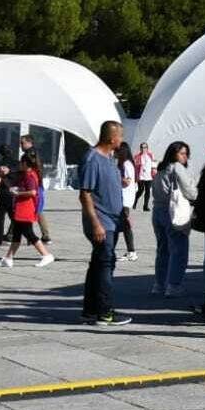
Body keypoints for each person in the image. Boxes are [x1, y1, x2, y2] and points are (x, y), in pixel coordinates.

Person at [78, 121, 130, 326]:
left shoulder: (110, 158)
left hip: (113, 220)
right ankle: (104, 312)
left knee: (99, 264)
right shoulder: (92, 159)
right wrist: (96, 223)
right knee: (105, 265)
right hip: (102, 222)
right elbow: (85, 194)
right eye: (120, 136)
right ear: (111, 138)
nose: (122, 140)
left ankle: (90, 310)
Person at [150, 140, 195, 296]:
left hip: (157, 210)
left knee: (163, 250)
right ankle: (174, 285)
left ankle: (159, 284)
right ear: (174, 153)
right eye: (182, 153)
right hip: (172, 211)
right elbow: (190, 192)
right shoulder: (177, 168)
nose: (185, 157)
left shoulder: (161, 168)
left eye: (186, 154)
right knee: (179, 249)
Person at [0, 150, 55, 267]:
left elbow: (33, 192)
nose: (19, 165)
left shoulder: (30, 175)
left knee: (29, 234)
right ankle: (8, 258)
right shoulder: (27, 173)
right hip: (22, 208)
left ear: (25, 163)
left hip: (26, 209)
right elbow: (22, 183)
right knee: (16, 235)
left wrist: (18, 193)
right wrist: (17, 187)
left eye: (21, 163)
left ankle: (46, 255)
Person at [19, 133, 53, 244]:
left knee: (36, 210)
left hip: (34, 186)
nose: (21, 145)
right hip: (37, 185)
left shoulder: (29, 155)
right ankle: (32, 235)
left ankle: (44, 235)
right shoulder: (35, 153)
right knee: (34, 209)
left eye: (22, 143)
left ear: (29, 142)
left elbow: (27, 171)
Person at [112, 142, 138, 261]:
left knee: (125, 226)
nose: (114, 153)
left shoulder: (126, 164)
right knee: (118, 226)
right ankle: (112, 251)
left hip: (124, 199)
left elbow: (127, 181)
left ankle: (132, 251)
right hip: (122, 199)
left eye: (116, 151)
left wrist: (114, 178)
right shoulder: (123, 164)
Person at [133, 142, 155, 211]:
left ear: (147, 148)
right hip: (141, 176)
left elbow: (153, 165)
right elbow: (135, 167)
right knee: (141, 190)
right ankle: (135, 201)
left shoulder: (150, 155)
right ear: (140, 148)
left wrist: (154, 174)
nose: (143, 149)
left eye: (145, 147)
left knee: (148, 191)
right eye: (142, 147)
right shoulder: (137, 156)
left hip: (149, 176)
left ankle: (145, 206)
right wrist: (136, 177)